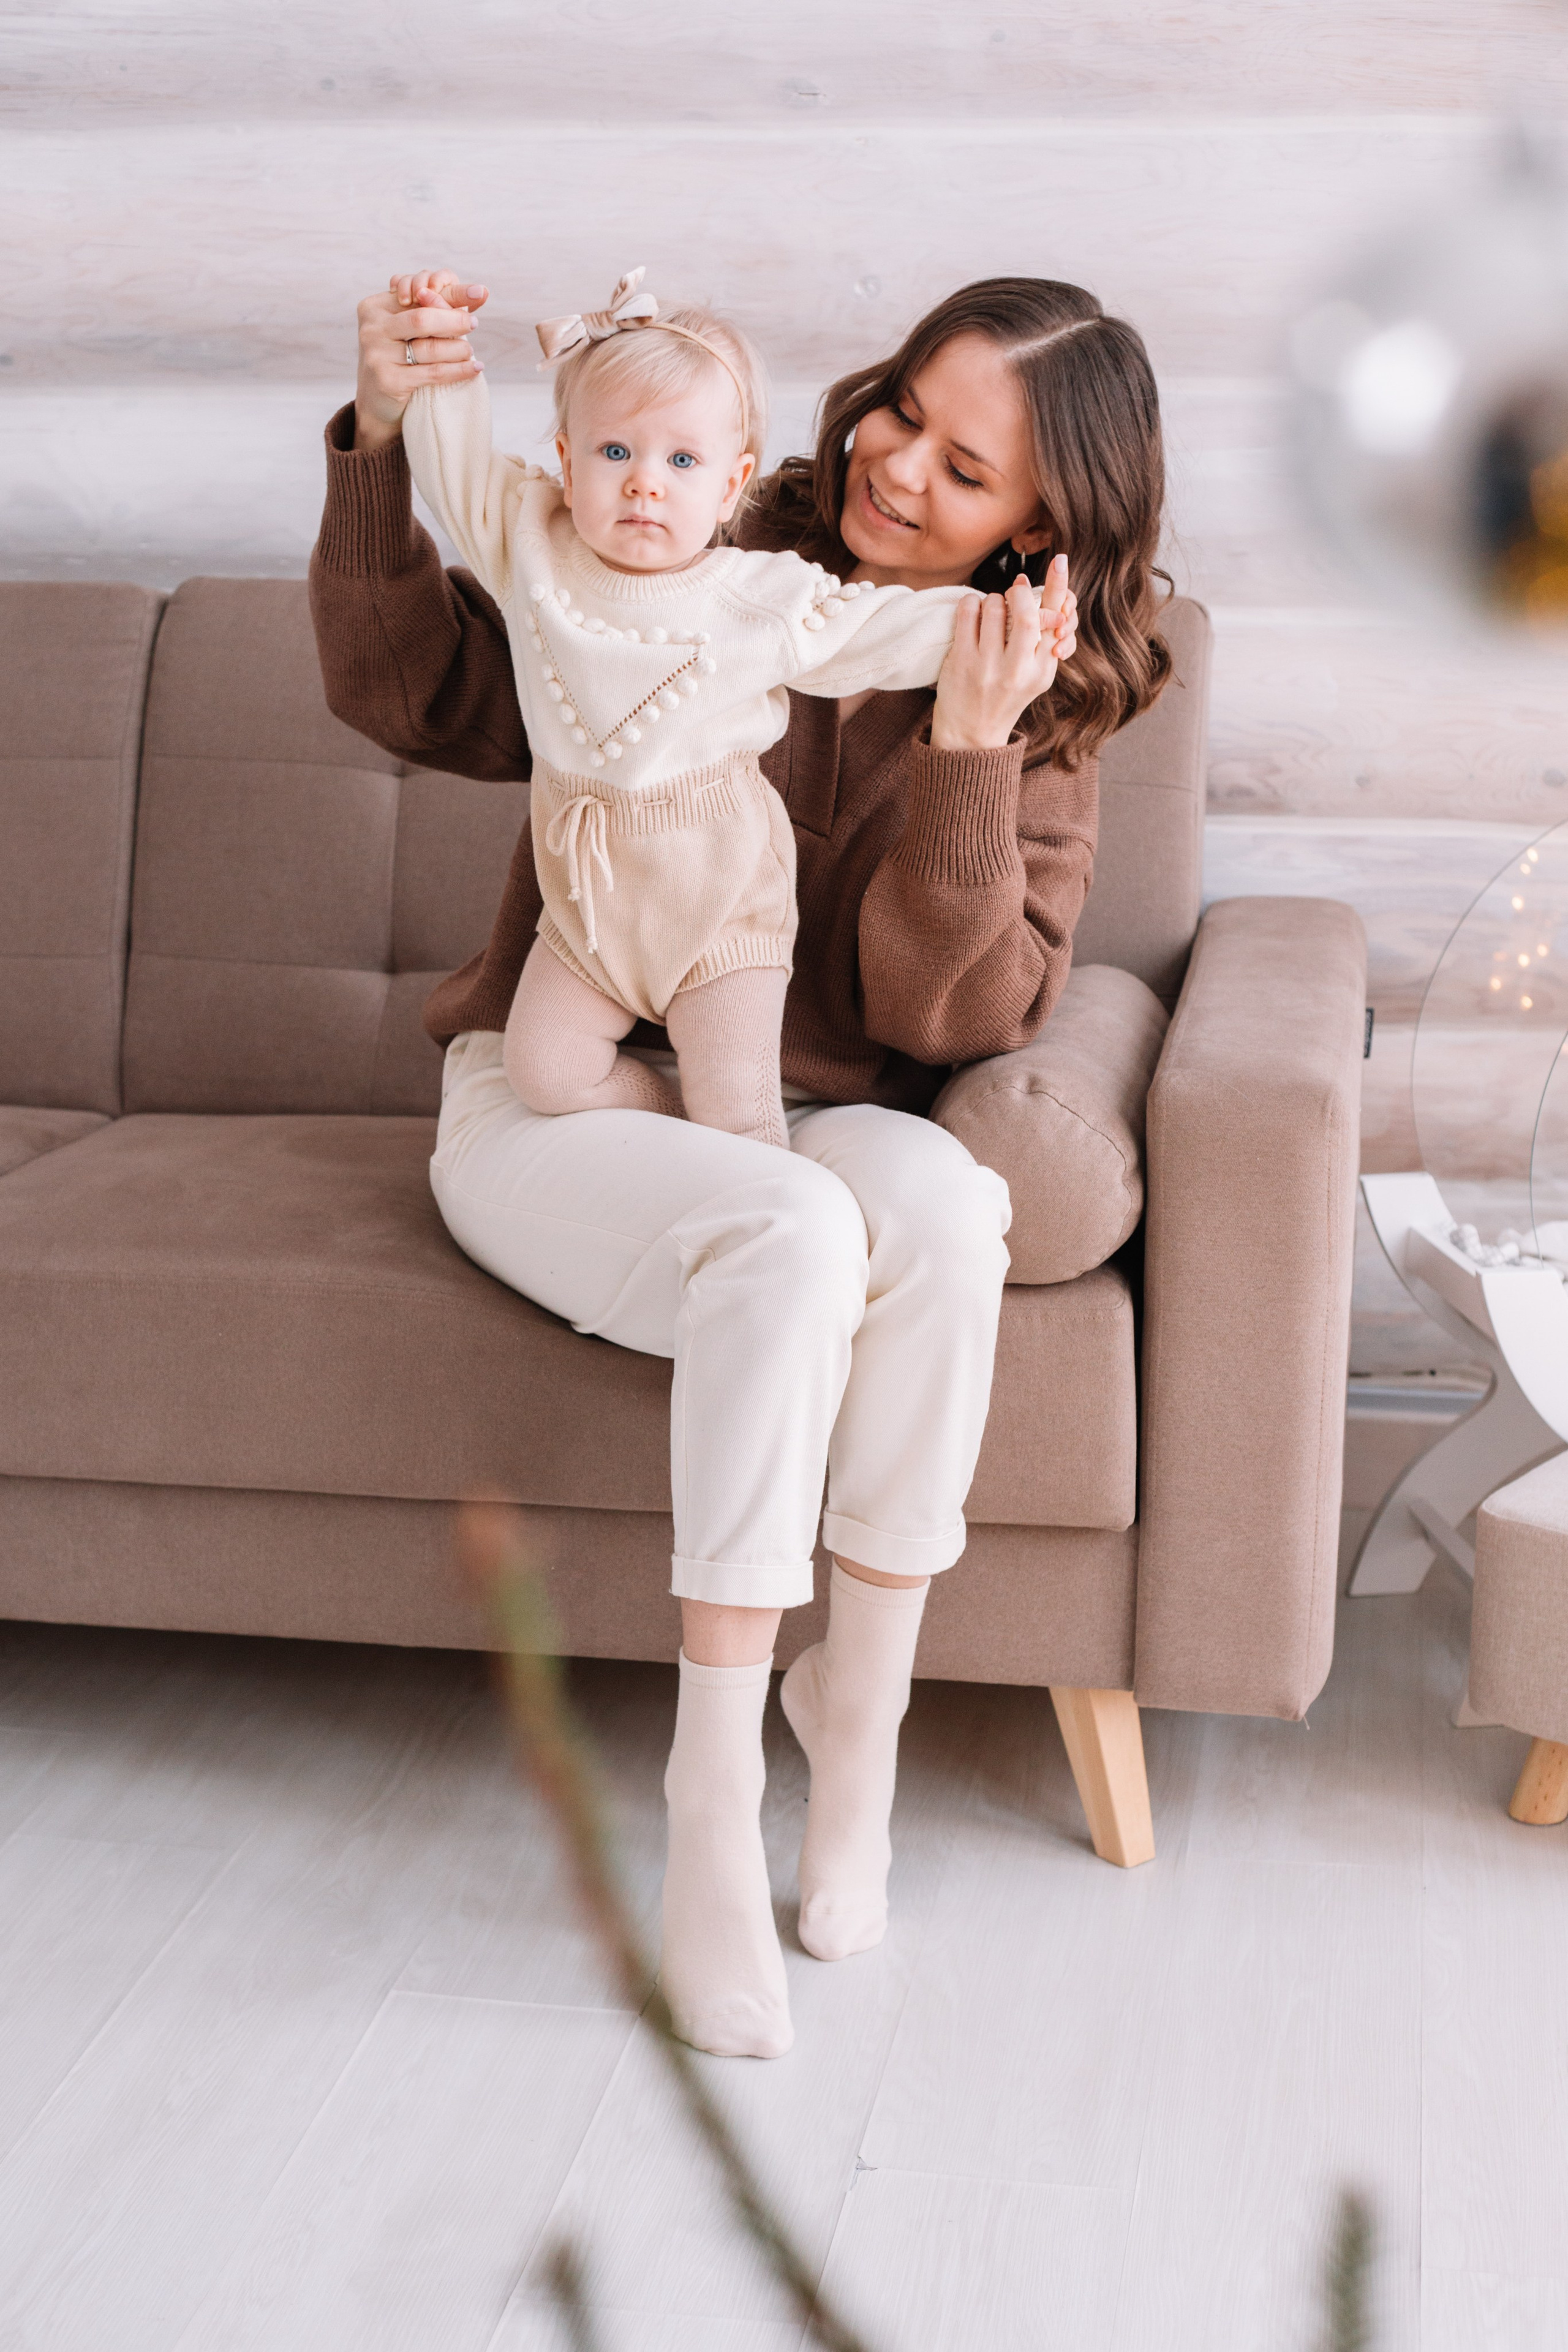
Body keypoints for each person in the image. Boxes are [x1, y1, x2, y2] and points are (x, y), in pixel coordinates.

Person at [310, 270, 1169, 2061]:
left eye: (966, 465)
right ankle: (711, 1812)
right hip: (562, 1103)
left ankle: (853, 1729)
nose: (899, 465)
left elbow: (957, 1016)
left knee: (947, 1202)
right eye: (901, 412)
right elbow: (420, 694)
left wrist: (963, 755)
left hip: (798, 1105)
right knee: (788, 1231)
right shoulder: (689, 530)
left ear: (1043, 526)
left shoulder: (1030, 695)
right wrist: (390, 443)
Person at [401, 266, 1071, 1151]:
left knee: (743, 1122)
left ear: (730, 486)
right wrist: (435, 367)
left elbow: (869, 629)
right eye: (614, 453)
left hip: (720, 911)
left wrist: (1008, 633)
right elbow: (454, 476)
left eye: (681, 462)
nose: (646, 484)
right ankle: (670, 1133)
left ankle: (730, 1160)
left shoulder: (755, 592)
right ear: (565, 458)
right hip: (587, 913)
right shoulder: (534, 538)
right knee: (548, 1075)